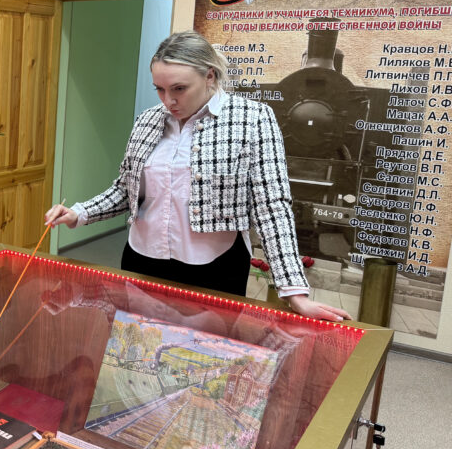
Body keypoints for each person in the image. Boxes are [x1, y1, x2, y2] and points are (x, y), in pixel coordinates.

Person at [44, 30, 350, 322]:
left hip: (214, 267)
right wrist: (79, 213)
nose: (168, 101)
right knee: (137, 349)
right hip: (142, 260)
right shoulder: (148, 120)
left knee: (204, 353)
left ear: (209, 76)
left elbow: (272, 207)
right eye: (159, 89)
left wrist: (294, 292)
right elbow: (127, 189)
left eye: (179, 89)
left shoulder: (252, 118)